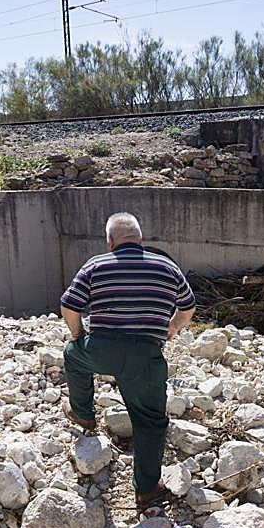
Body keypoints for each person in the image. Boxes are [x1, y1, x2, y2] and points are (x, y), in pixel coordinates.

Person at [59, 212, 196, 511]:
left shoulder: (96, 264)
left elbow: (69, 305)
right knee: (150, 422)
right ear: (140, 239)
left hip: (102, 349)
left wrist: (78, 336)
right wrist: (173, 326)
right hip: (145, 356)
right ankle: (146, 490)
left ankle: (83, 414)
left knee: (72, 355)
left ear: (110, 242)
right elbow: (188, 307)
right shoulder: (167, 267)